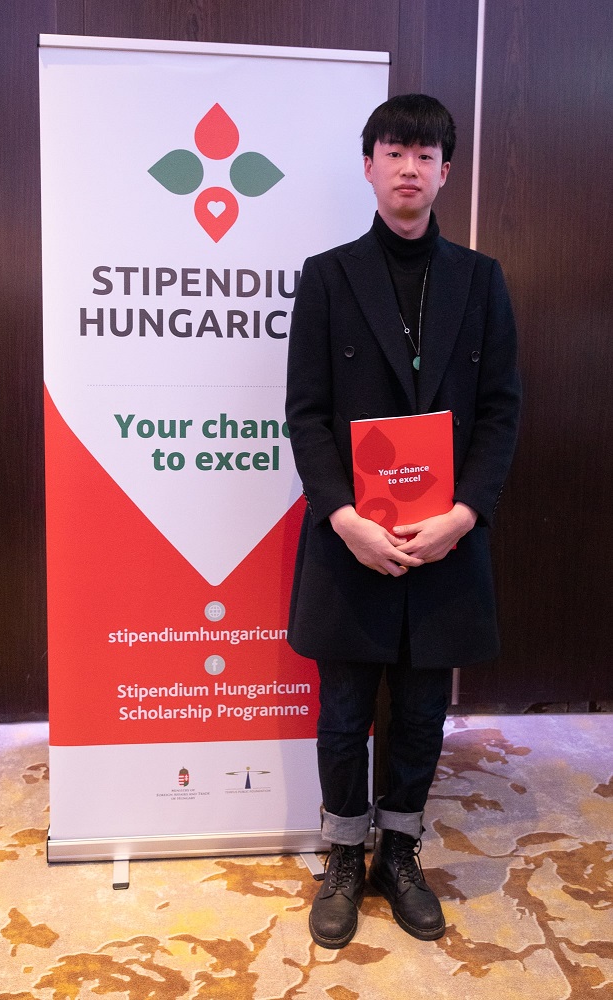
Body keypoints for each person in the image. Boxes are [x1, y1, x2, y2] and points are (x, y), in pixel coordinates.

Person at [285, 94, 521, 949]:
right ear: (369, 166)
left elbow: (500, 411)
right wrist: (343, 518)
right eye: (395, 152)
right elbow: (307, 416)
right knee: (345, 712)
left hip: (444, 540)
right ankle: (344, 857)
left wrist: (466, 514)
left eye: (425, 155)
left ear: (445, 172)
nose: (409, 168)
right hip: (353, 538)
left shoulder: (481, 280)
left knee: (421, 713)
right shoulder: (328, 276)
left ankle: (400, 851)